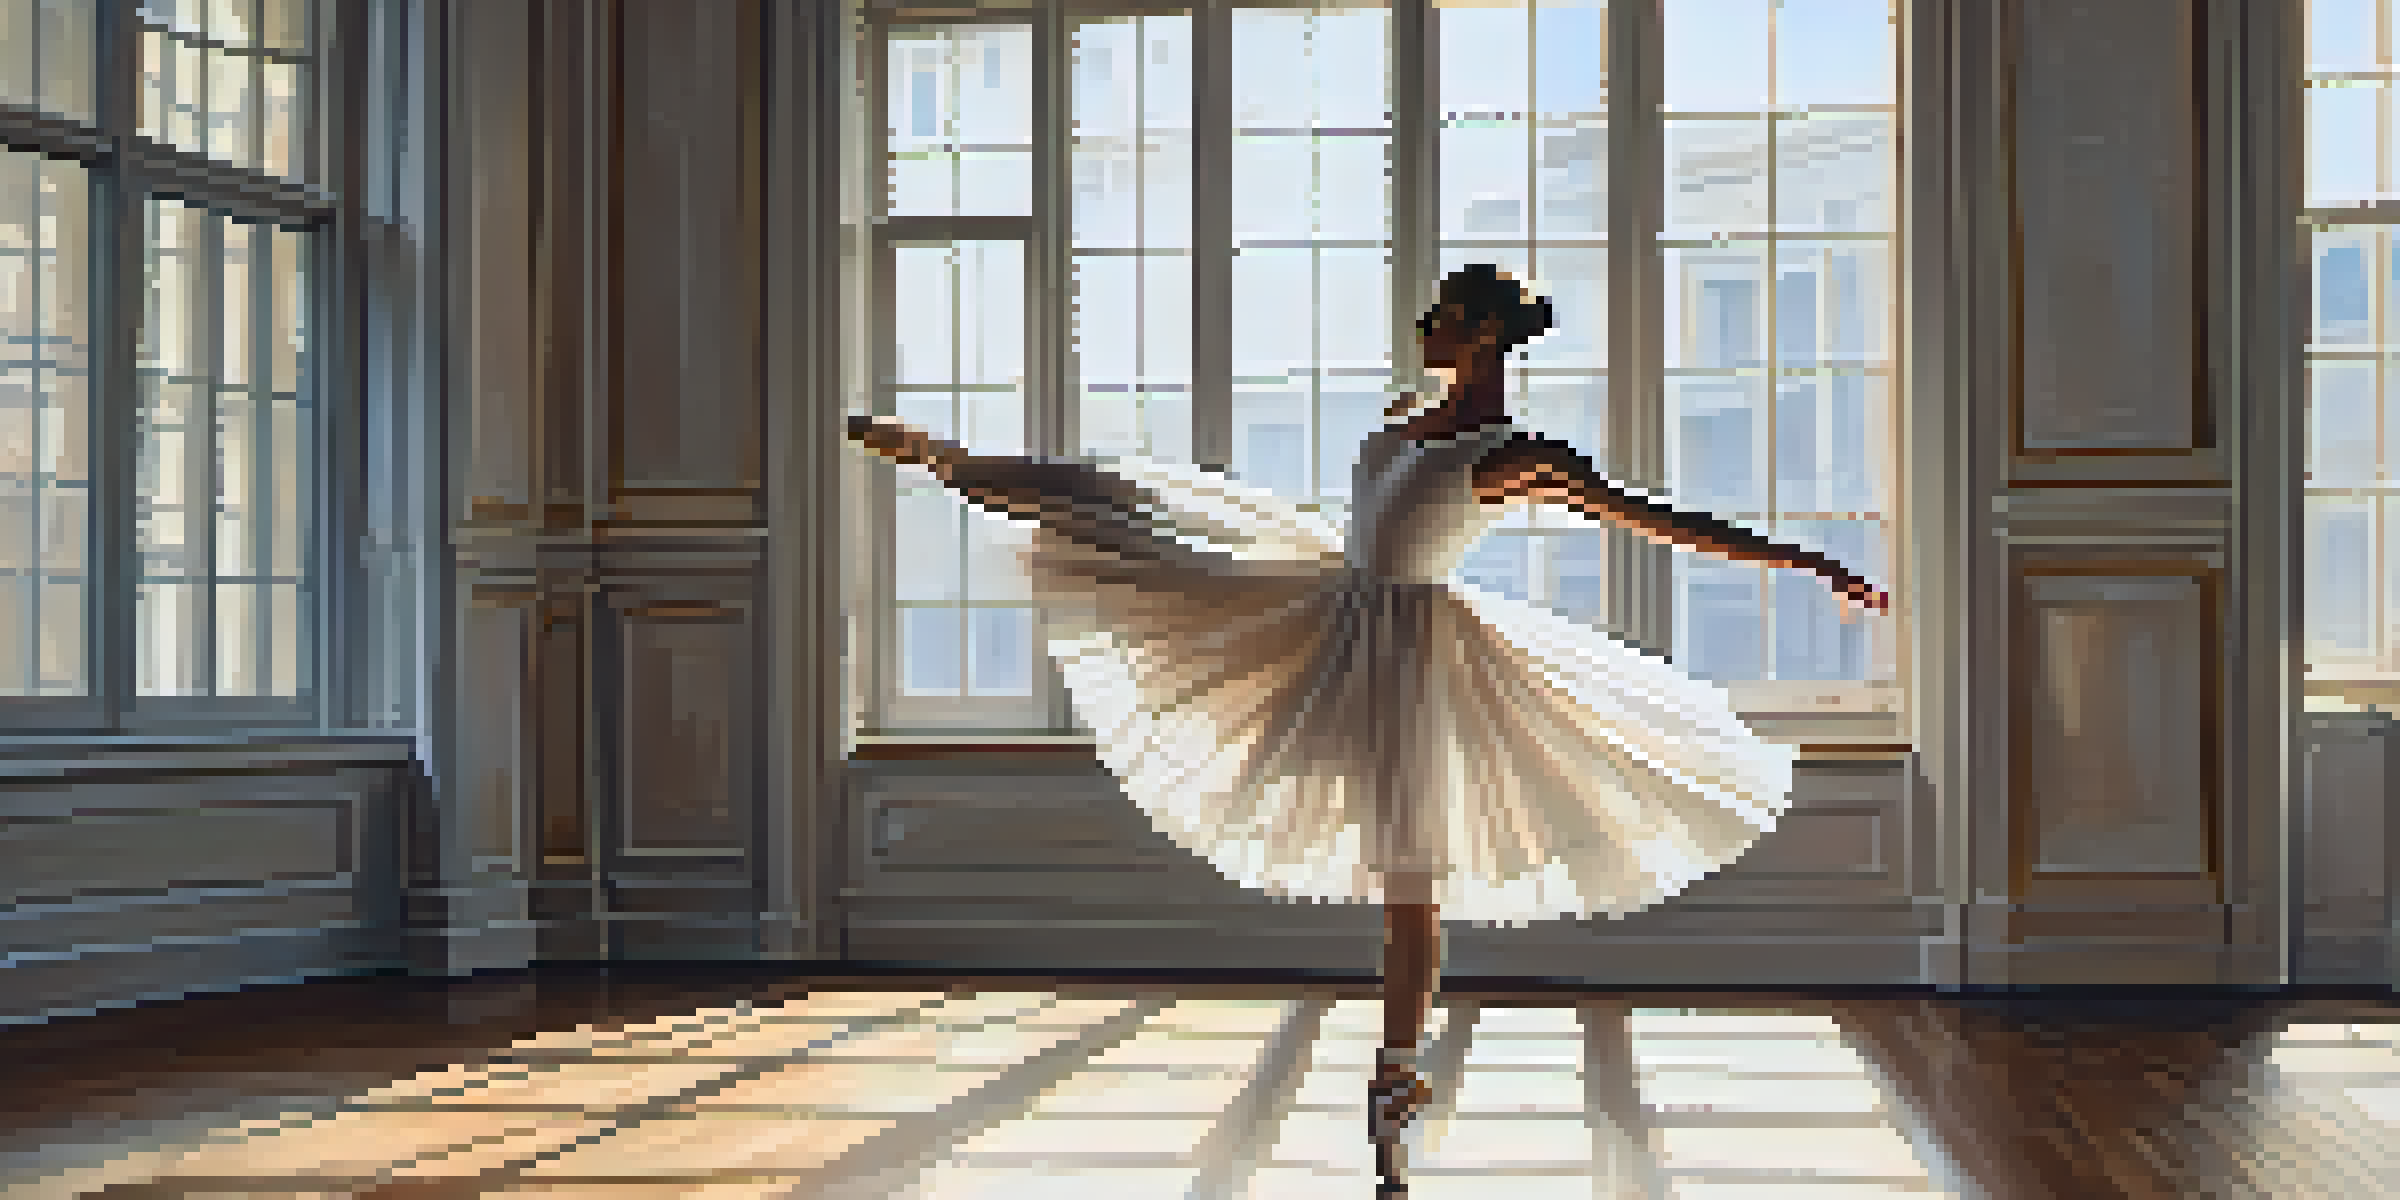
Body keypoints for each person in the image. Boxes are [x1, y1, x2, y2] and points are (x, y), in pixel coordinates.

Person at [848, 264, 1889, 1195]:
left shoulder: (1519, 453)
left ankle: (1394, 1082)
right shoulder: (1410, 414)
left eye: (1442, 316)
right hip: (1328, 606)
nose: (1425, 328)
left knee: (1409, 879)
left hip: (1411, 650)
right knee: (1140, 509)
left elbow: (1654, 519)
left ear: (1481, 333)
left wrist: (1803, 561)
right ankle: (958, 464)